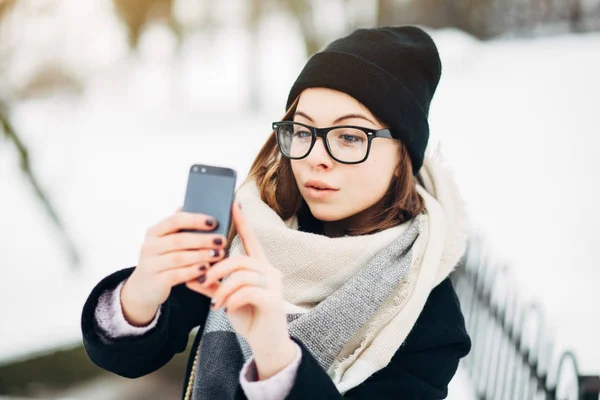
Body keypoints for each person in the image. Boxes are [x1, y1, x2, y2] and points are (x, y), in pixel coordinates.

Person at [81, 25, 471, 399]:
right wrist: (140, 297)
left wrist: (276, 357)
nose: (316, 158)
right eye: (302, 131)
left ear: (404, 154)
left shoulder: (424, 307)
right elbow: (129, 357)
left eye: (350, 137)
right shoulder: (251, 227)